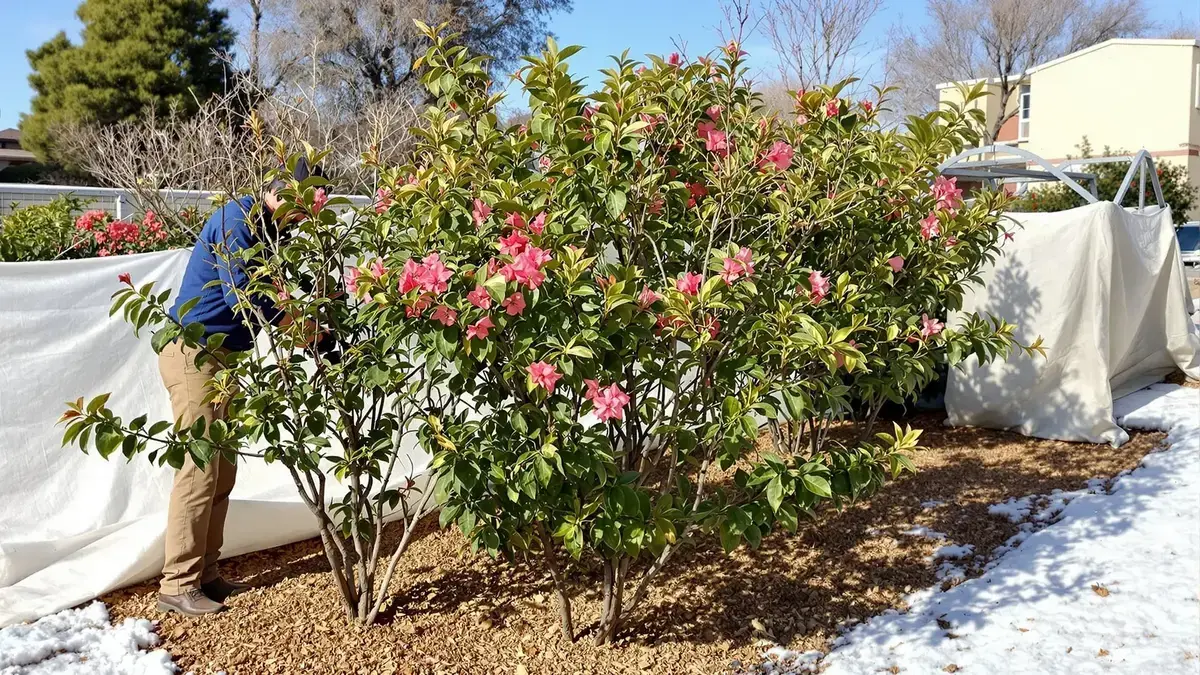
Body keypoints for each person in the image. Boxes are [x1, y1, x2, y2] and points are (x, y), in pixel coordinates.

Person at [155, 159, 322, 616]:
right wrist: (308, 334)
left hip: (225, 356)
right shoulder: (238, 218)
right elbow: (243, 295)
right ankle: (178, 583)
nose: (309, 215)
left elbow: (274, 294)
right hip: (194, 352)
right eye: (305, 203)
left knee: (222, 470)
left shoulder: (270, 231)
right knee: (199, 467)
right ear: (283, 193)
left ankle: (206, 574)